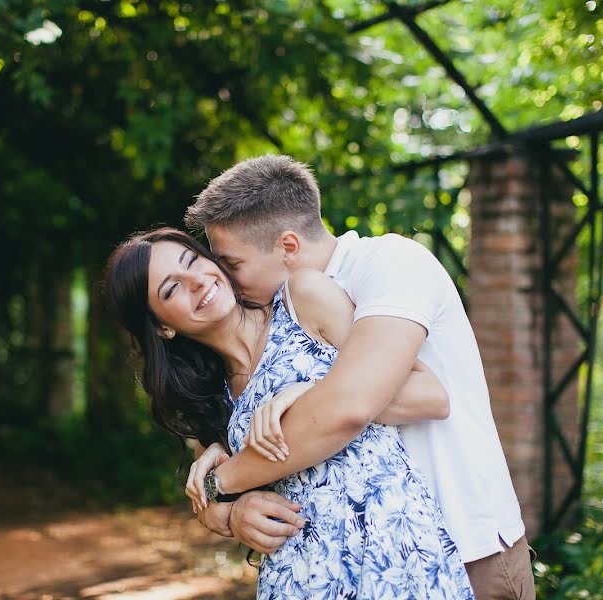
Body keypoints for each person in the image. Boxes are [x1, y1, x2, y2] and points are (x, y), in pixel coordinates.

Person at [183, 155, 536, 600]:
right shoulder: (279, 315)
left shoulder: (390, 263)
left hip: (466, 551)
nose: (227, 282)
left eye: (232, 264)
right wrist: (229, 508)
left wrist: (299, 398)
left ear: (288, 248)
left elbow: (351, 406)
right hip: (359, 568)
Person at [105, 227, 474, 598]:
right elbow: (213, 502)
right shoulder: (207, 395)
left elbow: (430, 395)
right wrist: (237, 512)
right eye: (172, 289)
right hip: (299, 577)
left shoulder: (302, 299)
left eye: (193, 261)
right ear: (163, 327)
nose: (197, 282)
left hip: (394, 551)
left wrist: (309, 390)